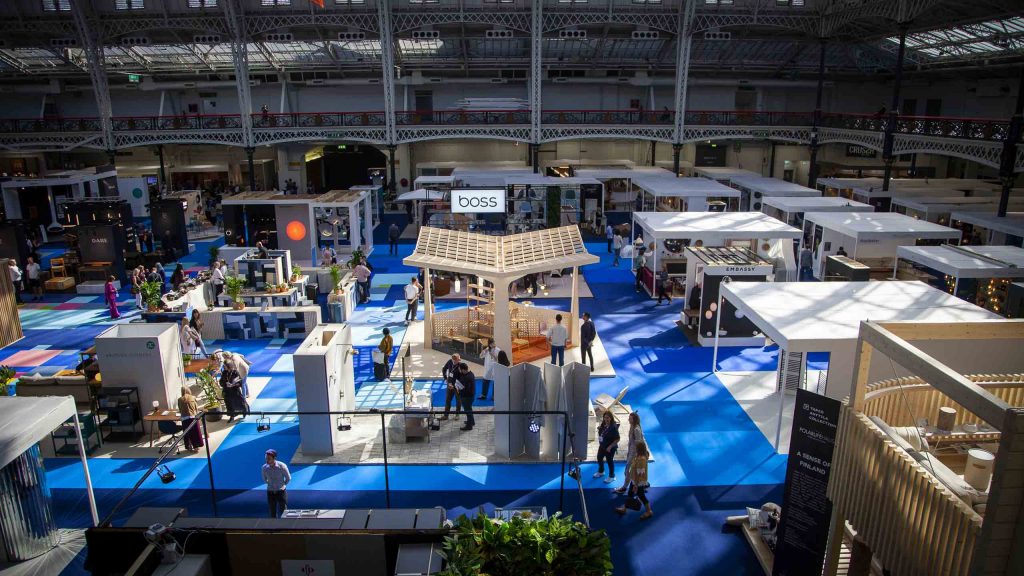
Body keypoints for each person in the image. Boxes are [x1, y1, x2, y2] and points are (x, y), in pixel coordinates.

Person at [615, 440, 652, 520]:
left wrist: (636, 485)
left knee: (641, 496)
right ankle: (624, 508)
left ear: (639, 448)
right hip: (634, 480)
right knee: (630, 493)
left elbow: (640, 474)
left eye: (636, 447)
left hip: (638, 482)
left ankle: (649, 511)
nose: (634, 448)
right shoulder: (639, 456)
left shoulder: (641, 459)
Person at [616, 412, 646, 493]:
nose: (628, 419)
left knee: (628, 470)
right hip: (631, 452)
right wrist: (629, 452)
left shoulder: (636, 429)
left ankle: (625, 487)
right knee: (631, 471)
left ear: (634, 420)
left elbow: (639, 443)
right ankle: (641, 485)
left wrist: (637, 456)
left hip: (635, 453)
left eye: (630, 418)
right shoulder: (632, 427)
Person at [262, 449, 291, 518]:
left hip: (281, 491)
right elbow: (264, 479)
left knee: (283, 511)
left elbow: (288, 478)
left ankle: (284, 524)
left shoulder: (282, 466)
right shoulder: (264, 467)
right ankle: (273, 524)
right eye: (266, 458)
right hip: (270, 492)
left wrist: (282, 485)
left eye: (269, 459)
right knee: (272, 511)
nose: (267, 460)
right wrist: (270, 484)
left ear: (274, 458)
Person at [594, 411, 620, 484]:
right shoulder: (603, 423)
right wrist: (600, 428)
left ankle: (612, 476)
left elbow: (617, 439)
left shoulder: (613, 427)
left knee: (609, 461)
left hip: (609, 448)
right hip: (602, 445)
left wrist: (610, 447)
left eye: (607, 418)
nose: (606, 419)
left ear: (611, 418)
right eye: (605, 417)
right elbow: (603, 431)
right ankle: (601, 471)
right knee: (599, 457)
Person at [177, 385, 204, 452]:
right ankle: (196, 447)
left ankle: (189, 446)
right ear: (188, 390)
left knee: (187, 433)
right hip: (193, 417)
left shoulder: (179, 399)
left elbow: (180, 410)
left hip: (184, 418)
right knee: (195, 432)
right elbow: (196, 408)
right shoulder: (193, 397)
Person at [440, 353, 462, 420]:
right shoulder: (449, 362)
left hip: (457, 385)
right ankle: (446, 415)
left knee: (458, 400)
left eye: (459, 359)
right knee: (448, 400)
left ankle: (457, 415)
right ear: (453, 360)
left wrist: (457, 386)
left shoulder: (460, 365)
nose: (459, 360)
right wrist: (446, 379)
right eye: (458, 360)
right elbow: (444, 369)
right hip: (449, 384)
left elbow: (462, 376)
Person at [456, 363, 476, 431]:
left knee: (467, 411)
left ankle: (469, 426)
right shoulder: (471, 374)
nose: (460, 371)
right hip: (470, 396)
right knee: (469, 409)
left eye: (460, 370)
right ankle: (471, 422)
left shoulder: (467, 377)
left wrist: (459, 389)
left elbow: (466, 389)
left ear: (463, 369)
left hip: (467, 397)